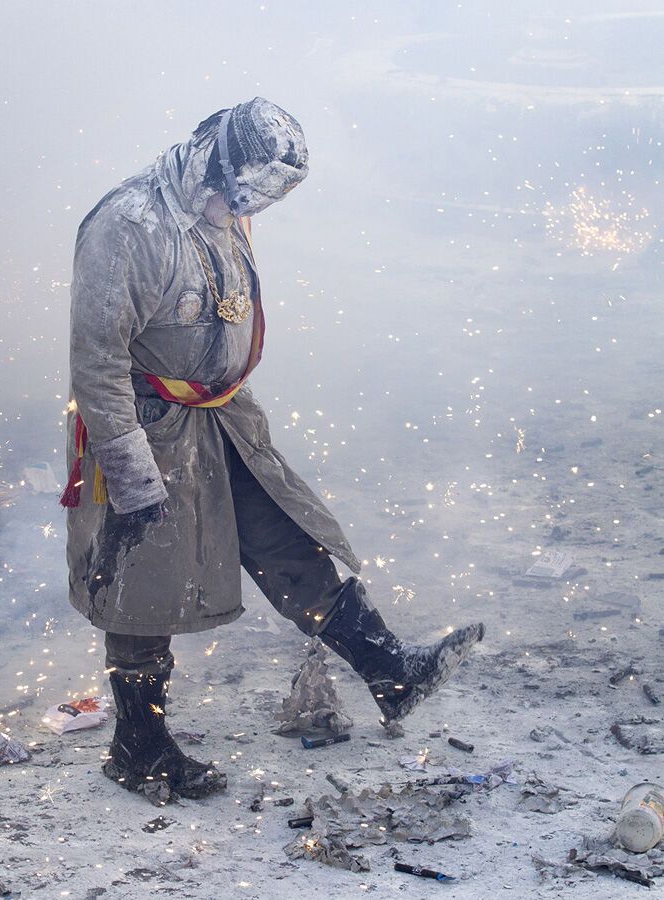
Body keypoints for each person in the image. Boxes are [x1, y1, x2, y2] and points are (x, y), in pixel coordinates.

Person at [63, 97, 484, 802]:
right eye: (245, 193)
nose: (247, 208)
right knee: (144, 583)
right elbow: (96, 366)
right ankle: (138, 745)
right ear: (213, 159)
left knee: (284, 535)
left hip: (221, 418)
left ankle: (390, 672)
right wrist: (133, 481)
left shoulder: (218, 209)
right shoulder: (128, 227)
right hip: (146, 426)